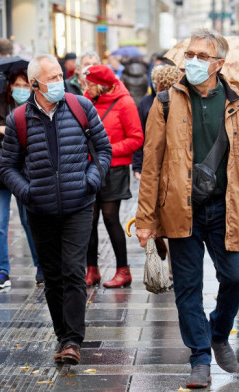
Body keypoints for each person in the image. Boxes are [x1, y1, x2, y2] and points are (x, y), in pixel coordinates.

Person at [134, 29, 239, 389]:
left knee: (236, 278)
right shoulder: (165, 102)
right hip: (181, 210)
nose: (192, 61)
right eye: (189, 54)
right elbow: (151, 164)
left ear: (219, 64)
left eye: (201, 56)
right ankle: (199, 359)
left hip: (227, 211)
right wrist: (145, 219)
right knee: (188, 289)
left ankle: (219, 332)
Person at [0, 54, 112, 365]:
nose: (58, 83)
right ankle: (62, 334)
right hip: (41, 209)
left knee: (73, 271)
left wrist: (91, 180)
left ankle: (73, 340)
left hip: (79, 205)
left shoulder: (81, 107)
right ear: (34, 84)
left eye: (60, 76)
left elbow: (104, 149)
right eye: (51, 78)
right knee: (52, 276)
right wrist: (28, 192)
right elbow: (8, 167)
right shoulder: (19, 119)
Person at [0, 69, 42, 287]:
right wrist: (0, 129)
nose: (21, 90)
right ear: (10, 86)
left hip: (27, 172)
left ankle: (42, 267)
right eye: (17, 85)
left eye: (26, 85)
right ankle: (2, 271)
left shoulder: (37, 105)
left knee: (30, 221)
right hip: (0, 170)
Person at [82, 65, 143, 288]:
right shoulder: (86, 101)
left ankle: (123, 270)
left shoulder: (124, 103)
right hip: (89, 168)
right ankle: (91, 270)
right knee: (88, 220)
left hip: (114, 169)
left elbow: (136, 138)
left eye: (90, 84)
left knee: (110, 218)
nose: (86, 87)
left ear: (101, 84)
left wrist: (107, 149)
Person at [132, 65, 182, 179]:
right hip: (153, 162)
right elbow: (140, 134)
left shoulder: (184, 106)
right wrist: (138, 166)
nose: (157, 88)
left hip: (176, 164)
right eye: (155, 82)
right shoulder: (146, 103)